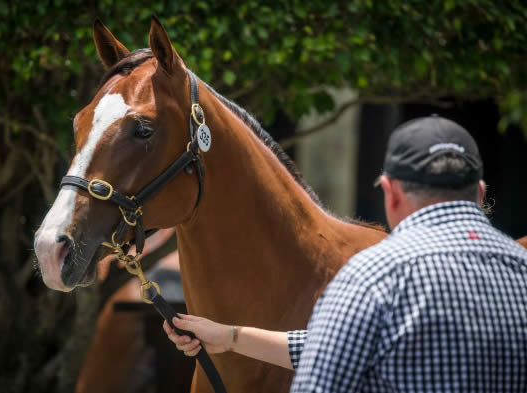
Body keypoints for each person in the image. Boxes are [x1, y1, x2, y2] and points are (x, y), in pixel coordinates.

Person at [163, 115, 527, 392]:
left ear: (392, 194)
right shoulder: (521, 269)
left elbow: (326, 371)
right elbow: (339, 343)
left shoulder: (373, 275)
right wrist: (230, 337)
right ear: (479, 193)